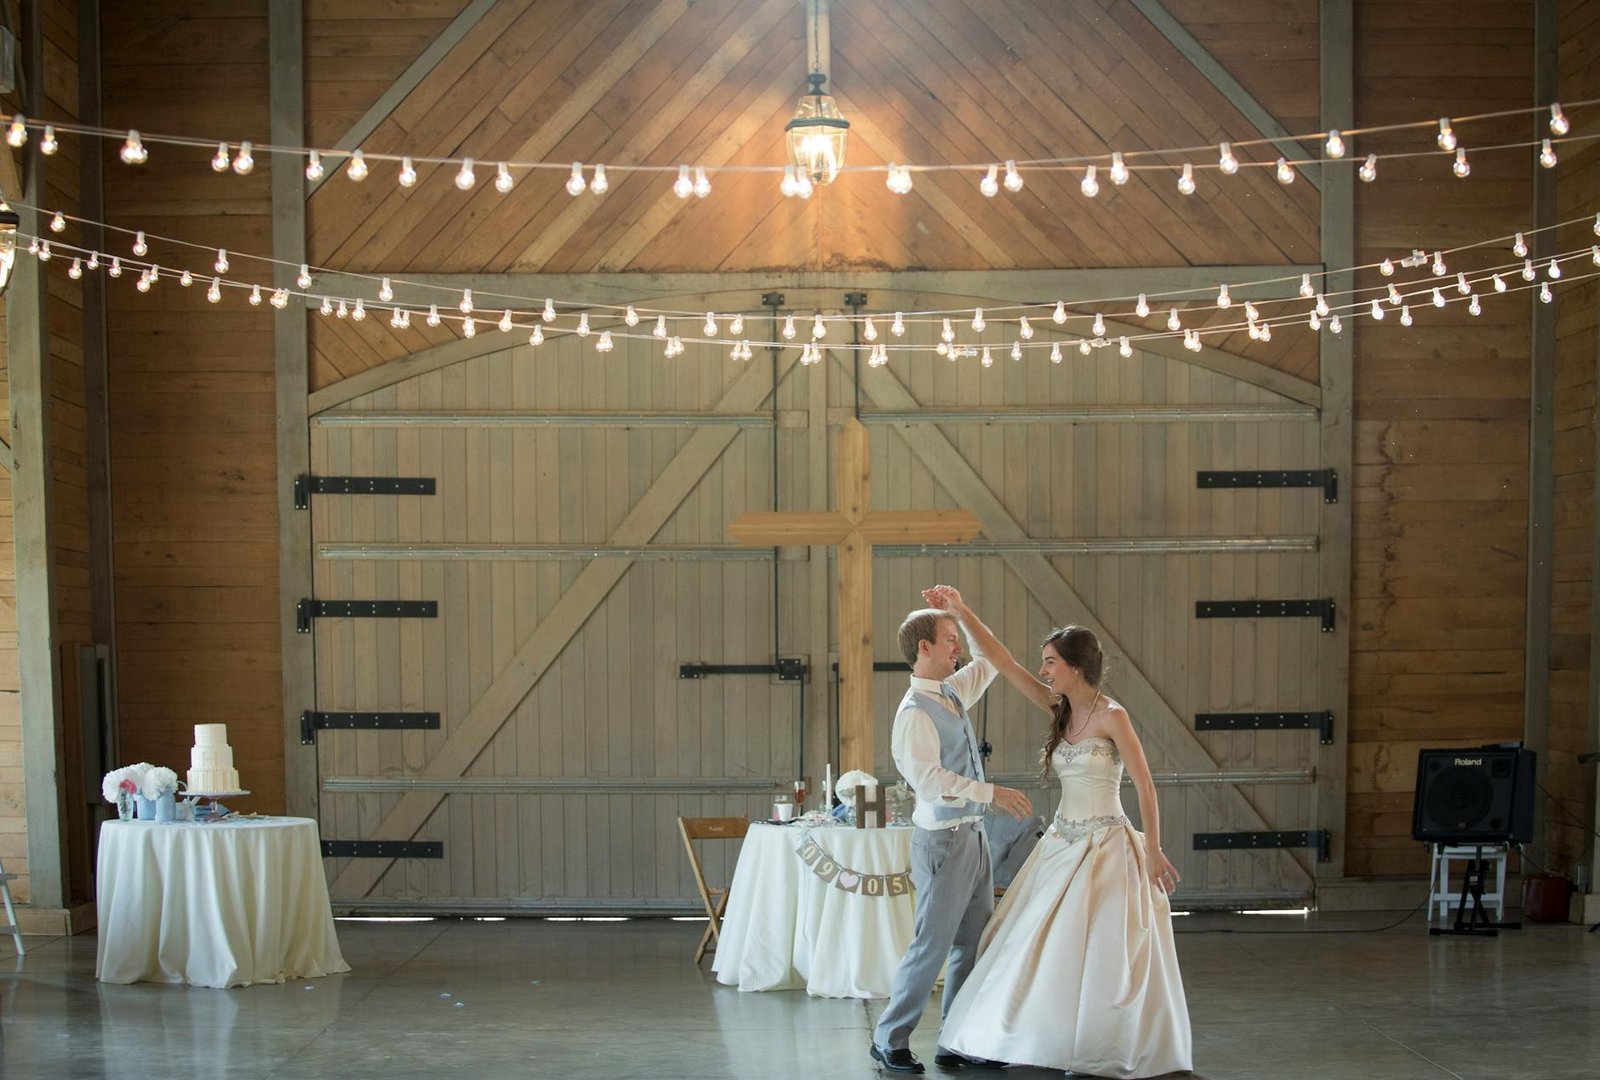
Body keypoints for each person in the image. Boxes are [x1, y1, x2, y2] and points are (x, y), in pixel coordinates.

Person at [932, 589, 1193, 1077]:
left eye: (1051, 662)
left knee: (1099, 954)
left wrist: (1153, 850)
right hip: (1060, 844)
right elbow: (1001, 660)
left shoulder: (1114, 716)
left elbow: (1147, 787)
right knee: (1026, 943)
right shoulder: (1058, 709)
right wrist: (961, 611)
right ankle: (1015, 1037)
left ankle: (1093, 1050)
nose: (1045, 670)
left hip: (1107, 845)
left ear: (1075, 666)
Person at [870, 591, 1034, 1075]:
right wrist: (992, 793)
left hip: (973, 839)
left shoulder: (952, 690)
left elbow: (993, 658)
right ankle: (888, 1039)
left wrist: (961, 611)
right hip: (942, 841)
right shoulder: (914, 714)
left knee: (972, 943)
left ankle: (955, 1039)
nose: (957, 649)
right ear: (924, 648)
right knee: (932, 945)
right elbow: (931, 784)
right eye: (948, 641)